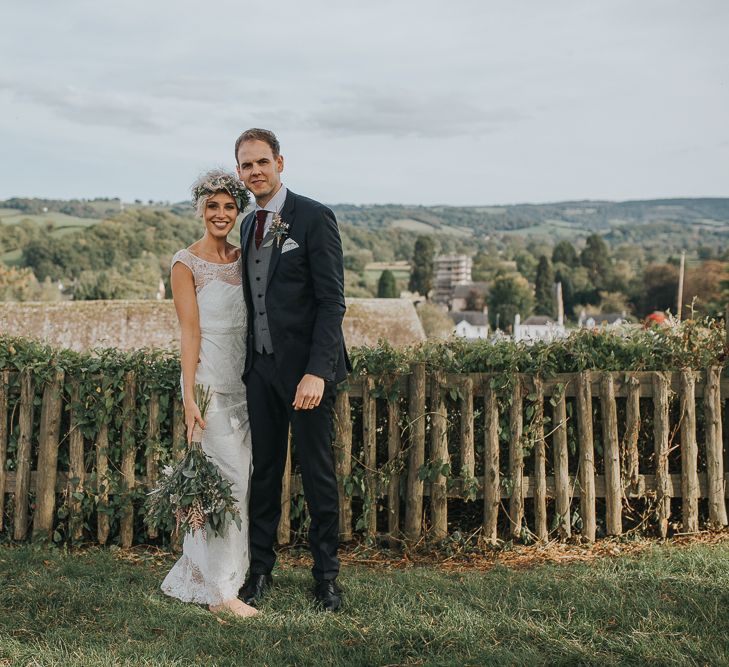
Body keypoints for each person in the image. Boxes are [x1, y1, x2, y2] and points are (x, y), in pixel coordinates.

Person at [235, 128, 350, 612]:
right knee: (264, 474)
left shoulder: (313, 216)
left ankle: (326, 577)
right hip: (259, 370)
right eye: (246, 165)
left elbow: (331, 301)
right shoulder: (245, 225)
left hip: (306, 375)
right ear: (239, 171)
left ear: (280, 163)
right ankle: (259, 571)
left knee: (318, 476)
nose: (255, 171)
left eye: (262, 161)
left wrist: (317, 371)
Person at [161, 169, 258, 619]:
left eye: (229, 206)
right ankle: (219, 593)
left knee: (242, 483)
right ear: (201, 209)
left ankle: (222, 574)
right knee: (223, 484)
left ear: (239, 210)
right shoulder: (187, 263)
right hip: (210, 389)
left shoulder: (245, 258)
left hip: (246, 387)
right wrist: (188, 397)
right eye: (213, 206)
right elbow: (190, 333)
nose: (221, 214)